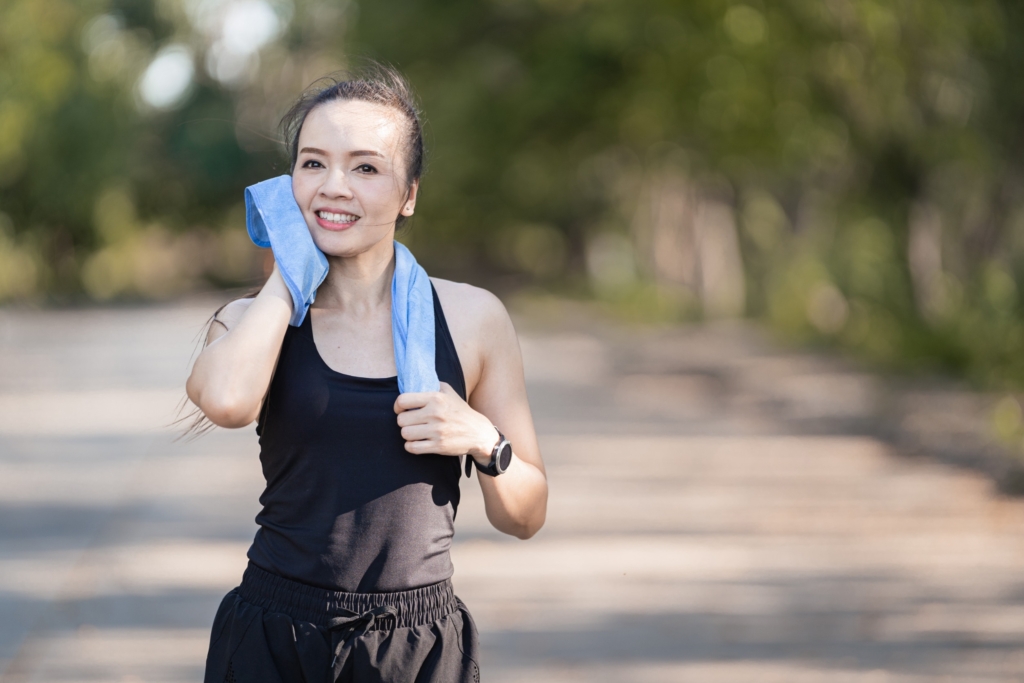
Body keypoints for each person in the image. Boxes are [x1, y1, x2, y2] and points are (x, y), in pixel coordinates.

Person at [185, 65, 548, 683]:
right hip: (274, 635)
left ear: (409, 195)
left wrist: (483, 440)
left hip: (416, 645)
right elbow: (226, 401)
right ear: (289, 182)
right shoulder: (253, 321)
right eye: (313, 164)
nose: (334, 187)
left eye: (366, 168)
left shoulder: (472, 318)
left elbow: (526, 516)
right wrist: (287, 277)